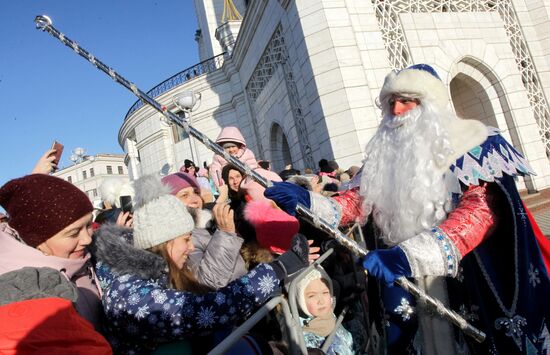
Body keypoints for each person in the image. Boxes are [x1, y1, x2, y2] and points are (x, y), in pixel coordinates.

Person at [265, 64, 550, 354]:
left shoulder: (476, 145)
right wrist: (310, 202)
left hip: (464, 280)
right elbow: (356, 201)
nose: (397, 111)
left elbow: (481, 212)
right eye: (390, 103)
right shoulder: (383, 160)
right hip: (406, 285)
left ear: (429, 104)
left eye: (406, 100)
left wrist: (409, 256)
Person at [91, 174, 314, 353]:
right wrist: (279, 269)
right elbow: (204, 311)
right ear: (162, 242)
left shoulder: (158, 274)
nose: (190, 247)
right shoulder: (126, 292)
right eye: (186, 239)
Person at [0, 174, 104, 330]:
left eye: (88, 225)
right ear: (37, 240)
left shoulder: (84, 259)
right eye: (74, 233)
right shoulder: (18, 292)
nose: (87, 239)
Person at [162, 171, 247, 289]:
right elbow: (206, 283)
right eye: (184, 195)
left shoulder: (207, 225)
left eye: (196, 192)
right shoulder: (179, 238)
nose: (195, 199)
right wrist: (226, 234)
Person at [209, 126, 281, 200]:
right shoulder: (218, 157)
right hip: (230, 188)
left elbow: (253, 168)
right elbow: (216, 173)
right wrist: (221, 187)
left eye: (233, 146)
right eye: (227, 148)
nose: (231, 150)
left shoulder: (246, 154)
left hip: (246, 186)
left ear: (239, 145)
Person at [295, 267, 353, 355]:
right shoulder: (303, 341)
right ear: (301, 301)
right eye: (312, 296)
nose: (321, 301)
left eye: (325, 292)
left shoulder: (330, 315)